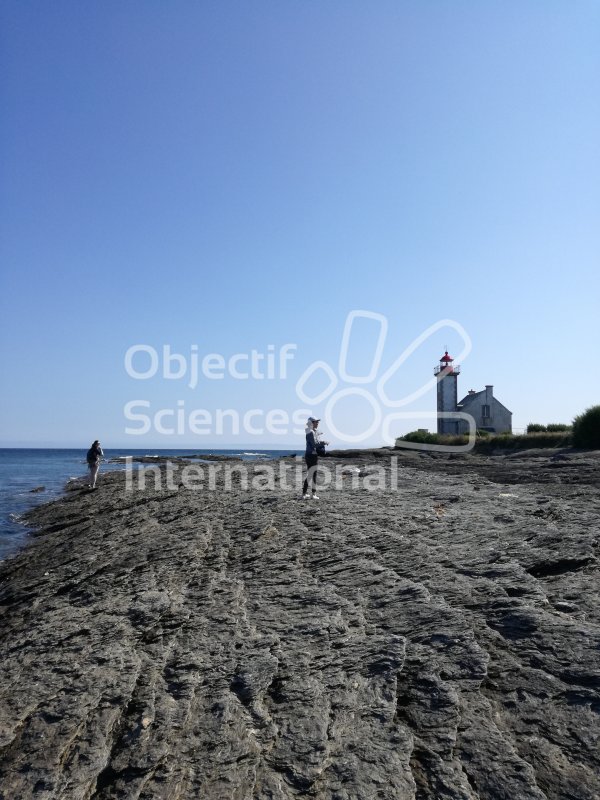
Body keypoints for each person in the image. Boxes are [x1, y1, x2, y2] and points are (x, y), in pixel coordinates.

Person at [302, 417, 329, 500]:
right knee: (312, 474)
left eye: (317, 422)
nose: (317, 423)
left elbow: (316, 440)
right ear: (311, 423)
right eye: (315, 422)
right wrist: (323, 443)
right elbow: (314, 445)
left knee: (312, 474)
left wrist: (319, 436)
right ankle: (312, 494)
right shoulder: (310, 432)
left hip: (311, 455)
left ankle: (306, 494)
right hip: (311, 455)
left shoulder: (311, 431)